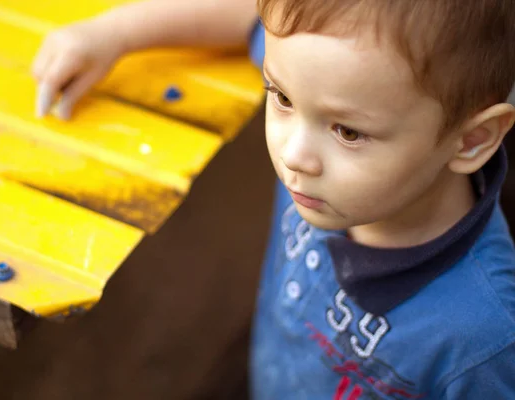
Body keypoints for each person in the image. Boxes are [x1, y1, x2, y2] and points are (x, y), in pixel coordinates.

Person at [32, 0, 515, 398]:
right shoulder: (332, 88)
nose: (294, 155)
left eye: (347, 131)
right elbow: (249, 15)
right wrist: (113, 33)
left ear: (471, 140)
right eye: (280, 98)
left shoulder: (482, 339)